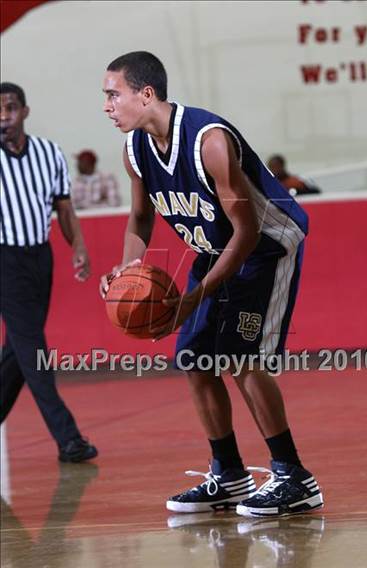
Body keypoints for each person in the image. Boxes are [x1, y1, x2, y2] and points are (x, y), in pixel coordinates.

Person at [100, 52, 323, 517]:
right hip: (215, 251)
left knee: (240, 357)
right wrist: (128, 270)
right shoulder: (135, 150)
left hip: (266, 246)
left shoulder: (209, 141)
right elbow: (141, 218)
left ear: (146, 93)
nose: (107, 105)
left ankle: (293, 477)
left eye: (112, 94)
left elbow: (247, 233)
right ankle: (229, 475)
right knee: (196, 359)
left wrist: (191, 299)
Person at [0, 82, 98, 463]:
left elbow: (64, 208)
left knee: (19, 352)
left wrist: (79, 247)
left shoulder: (49, 153)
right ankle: (69, 438)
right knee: (33, 350)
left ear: (24, 111)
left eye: (9, 108)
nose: (3, 116)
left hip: (39, 257)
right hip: (4, 258)